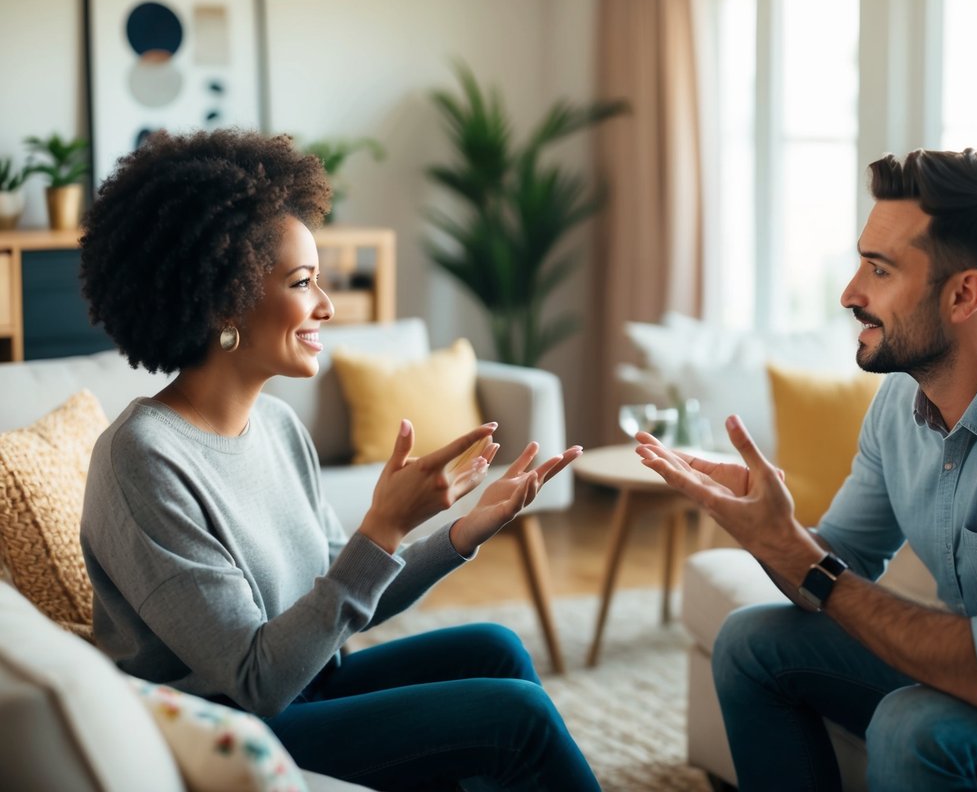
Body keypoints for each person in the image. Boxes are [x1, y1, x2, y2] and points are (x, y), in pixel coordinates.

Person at [636, 148, 977, 791]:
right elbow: (837, 562)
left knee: (913, 724)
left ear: (963, 294)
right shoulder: (902, 401)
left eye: (879, 269)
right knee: (751, 642)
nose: (850, 293)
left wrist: (807, 561)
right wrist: (765, 532)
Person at [78, 129, 600, 791]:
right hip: (237, 729)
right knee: (515, 715)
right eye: (302, 283)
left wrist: (461, 533)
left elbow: (337, 602)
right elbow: (256, 680)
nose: (326, 306)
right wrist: (379, 529)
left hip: (307, 687)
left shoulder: (276, 424)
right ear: (223, 300)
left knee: (495, 648)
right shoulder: (143, 459)